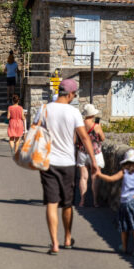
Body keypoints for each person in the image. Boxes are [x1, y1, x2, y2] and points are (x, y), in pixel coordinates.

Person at [39, 79, 99, 255]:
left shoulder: (44, 109)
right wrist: (93, 161)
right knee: (66, 204)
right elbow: (85, 138)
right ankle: (67, 238)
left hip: (48, 162)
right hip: (67, 163)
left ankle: (54, 243)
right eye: (75, 94)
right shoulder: (73, 112)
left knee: (51, 202)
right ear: (71, 94)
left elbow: (35, 132)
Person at [98, 149, 134, 257]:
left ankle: (124, 247)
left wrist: (99, 174)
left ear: (126, 162)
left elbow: (111, 179)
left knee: (124, 225)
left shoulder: (124, 172)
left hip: (126, 202)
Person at [76, 104, 106, 207]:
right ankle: (95, 201)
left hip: (82, 152)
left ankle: (82, 201)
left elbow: (75, 140)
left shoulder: (79, 126)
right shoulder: (96, 126)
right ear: (93, 115)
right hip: (95, 153)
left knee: (83, 177)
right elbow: (102, 138)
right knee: (95, 177)